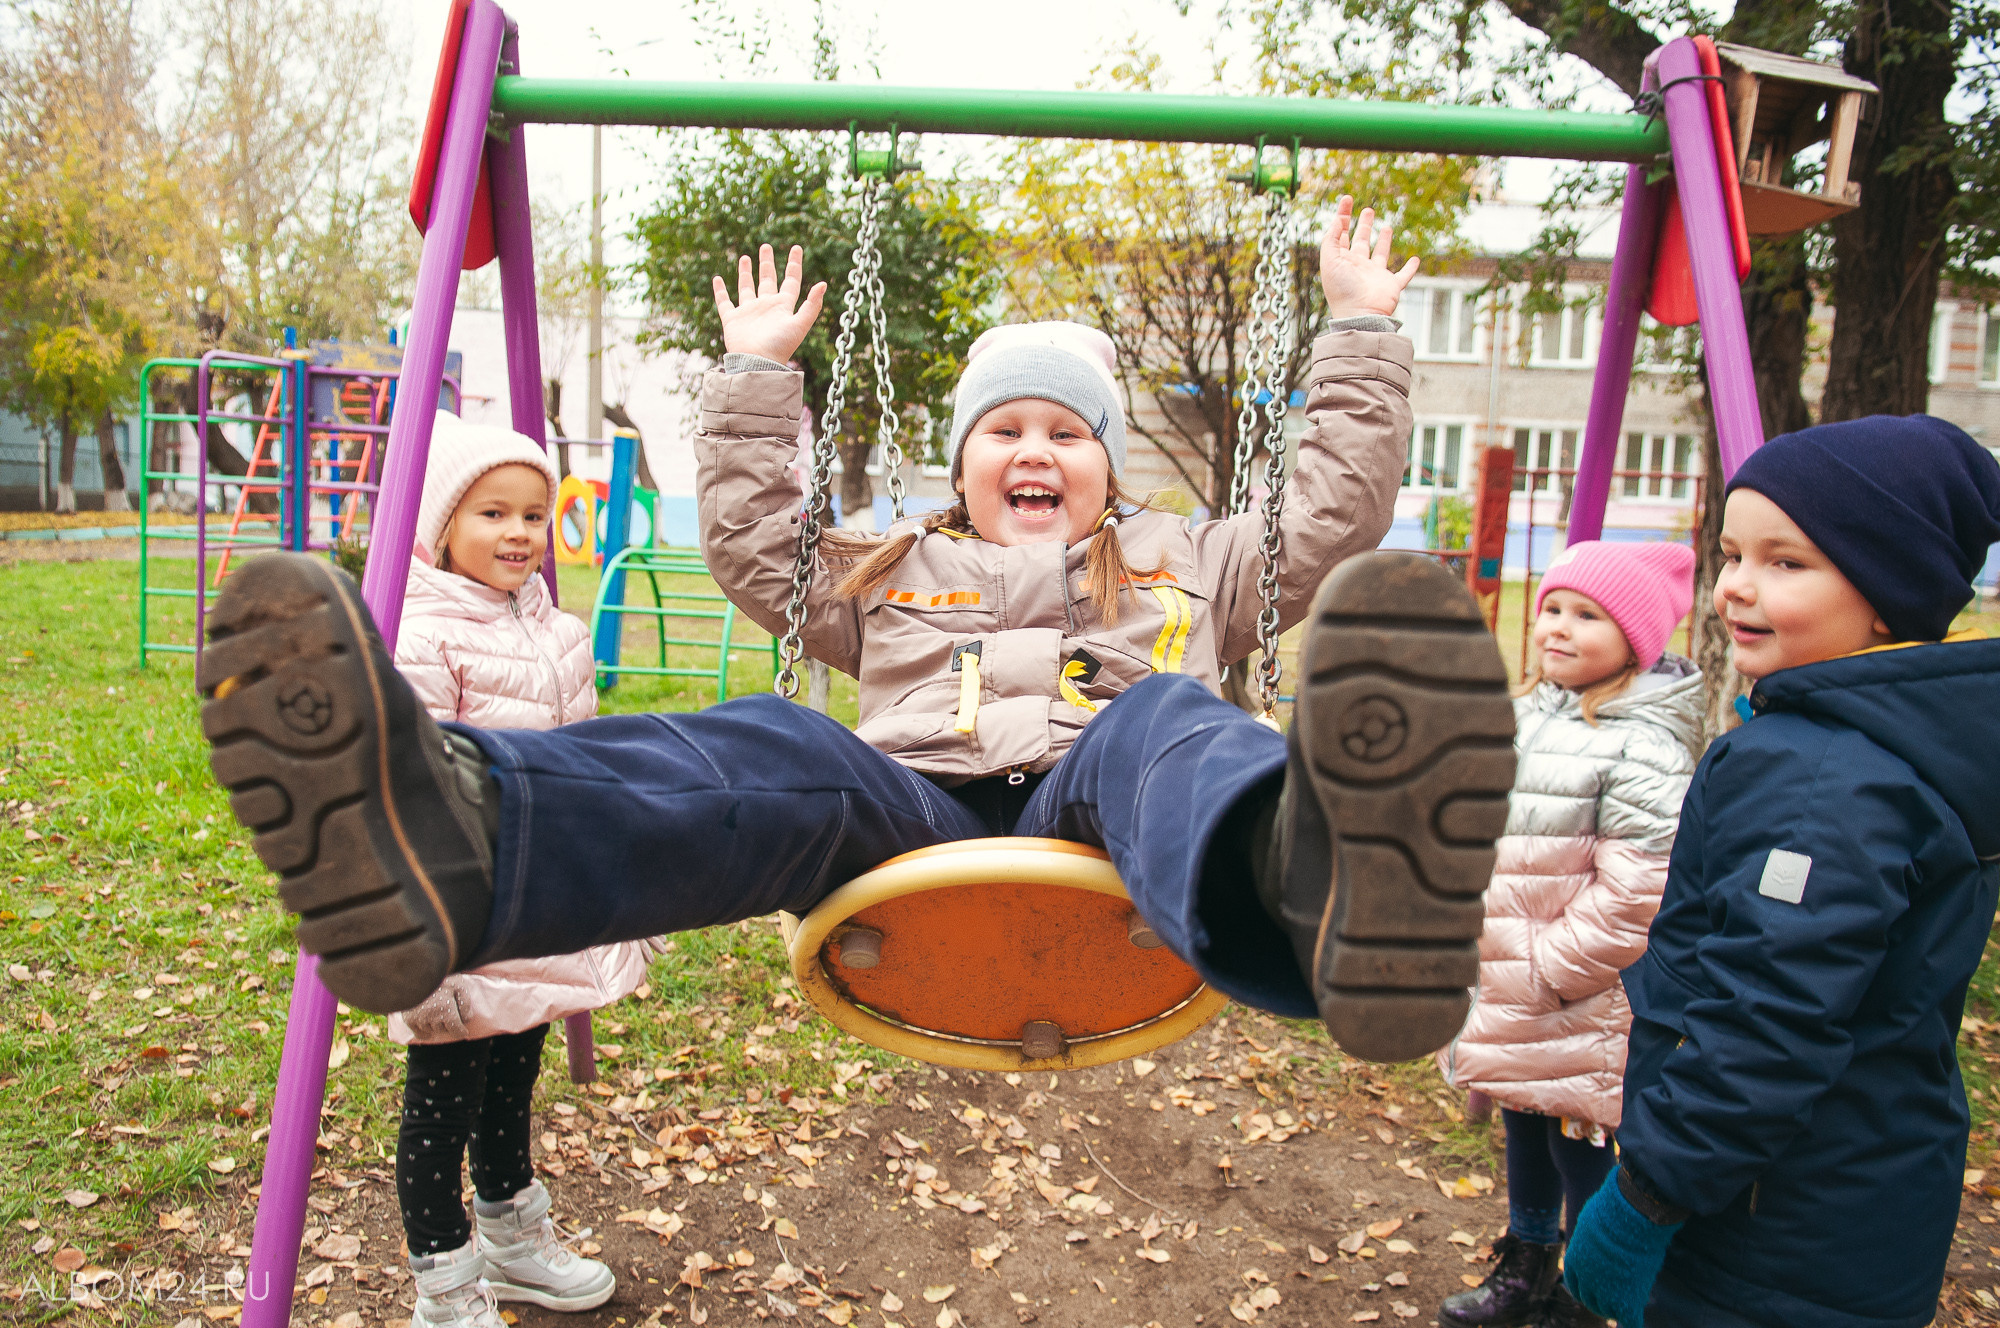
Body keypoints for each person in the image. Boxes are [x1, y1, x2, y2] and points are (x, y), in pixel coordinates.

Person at [192, 198, 1516, 1065]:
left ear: (1111, 467)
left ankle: (1316, 876)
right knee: (786, 750)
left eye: (1068, 432)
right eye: (1007, 429)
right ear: (964, 462)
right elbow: (762, 552)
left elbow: (1330, 520)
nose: (1037, 450)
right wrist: (760, 378)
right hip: (916, 822)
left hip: (1115, 834)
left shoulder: (1198, 561)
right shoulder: (891, 565)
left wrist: (1361, 335)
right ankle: (467, 838)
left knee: (1170, 719)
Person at [1559, 416, 2000, 1328]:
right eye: (1730, 555)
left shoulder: (1823, 772)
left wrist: (1646, 1199)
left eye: (1787, 563)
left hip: (1768, 1233)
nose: (1736, 590)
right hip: (1857, 1198)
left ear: (1888, 591)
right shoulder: (1885, 747)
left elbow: (1767, 1020)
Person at [380, 416, 651, 1328]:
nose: (518, 533)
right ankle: (444, 1287)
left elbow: (577, 760)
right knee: (443, 1104)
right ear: (442, 526)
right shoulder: (422, 636)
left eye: (534, 515)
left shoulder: (560, 630)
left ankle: (513, 1242)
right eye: (492, 512)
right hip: (460, 910)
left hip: (540, 905)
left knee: (511, 1084)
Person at [1436, 541, 1701, 1328]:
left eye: (1587, 616)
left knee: (1578, 1145)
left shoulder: (1642, 746)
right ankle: (1526, 1265)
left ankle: (1589, 1295)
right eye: (1552, 607)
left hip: (1578, 994)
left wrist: (1549, 971)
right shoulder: (1530, 713)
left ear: (1635, 639)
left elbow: (1635, 896)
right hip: (1514, 980)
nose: (1557, 626)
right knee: (1524, 1122)